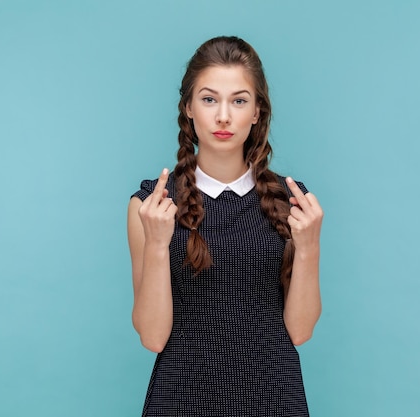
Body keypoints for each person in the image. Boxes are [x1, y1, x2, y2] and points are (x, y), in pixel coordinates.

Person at [127, 36, 324, 416]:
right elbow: (152, 337)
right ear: (188, 108)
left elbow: (300, 332)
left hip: (274, 401)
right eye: (208, 99)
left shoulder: (294, 203)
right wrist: (156, 244)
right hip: (180, 401)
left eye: (238, 100)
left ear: (256, 112)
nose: (223, 116)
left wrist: (309, 247)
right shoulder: (151, 205)